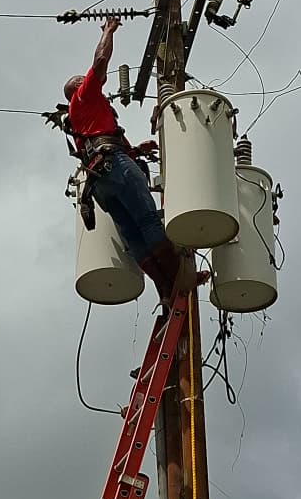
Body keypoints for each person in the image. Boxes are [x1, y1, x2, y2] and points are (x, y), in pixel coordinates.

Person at [48, 17, 206, 303]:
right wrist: (108, 31)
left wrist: (137, 151)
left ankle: (165, 290)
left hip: (100, 183)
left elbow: (102, 141)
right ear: (78, 87)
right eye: (83, 80)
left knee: (133, 235)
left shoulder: (80, 118)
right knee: (148, 221)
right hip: (114, 168)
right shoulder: (83, 96)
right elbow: (100, 61)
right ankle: (181, 279)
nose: (90, 80)